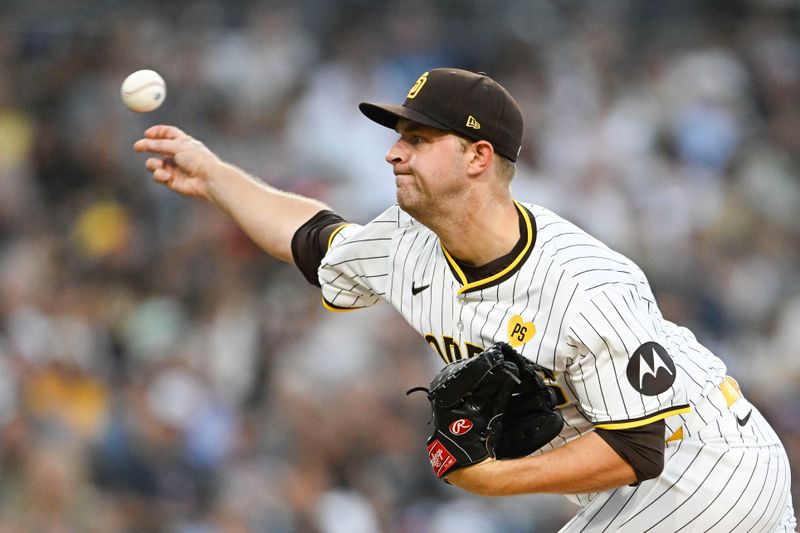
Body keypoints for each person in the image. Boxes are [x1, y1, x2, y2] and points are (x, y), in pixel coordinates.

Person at [134, 68, 796, 532]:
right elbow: (310, 238)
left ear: (479, 156)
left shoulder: (584, 284)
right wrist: (216, 176)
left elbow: (638, 448)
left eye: (417, 140)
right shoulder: (407, 239)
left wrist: (490, 478)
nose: (394, 153)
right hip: (645, 489)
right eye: (398, 137)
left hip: (705, 468)